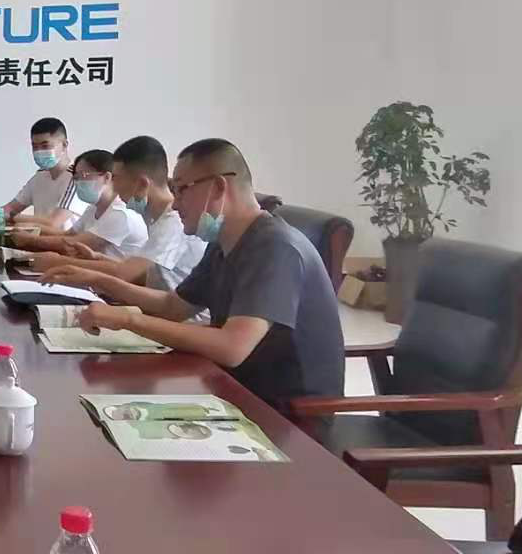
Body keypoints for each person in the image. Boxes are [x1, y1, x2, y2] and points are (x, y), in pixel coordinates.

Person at [73, 139, 345, 409]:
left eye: (182, 190)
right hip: (233, 388)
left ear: (218, 187)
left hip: (288, 414)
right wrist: (100, 281)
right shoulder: (223, 244)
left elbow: (232, 347)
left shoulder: (275, 247)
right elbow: (173, 307)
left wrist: (129, 319)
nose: (175, 204)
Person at [32, 135, 206, 288]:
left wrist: (58, 261)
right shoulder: (153, 218)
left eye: (115, 178)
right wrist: (96, 258)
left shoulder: (173, 222)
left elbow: (125, 274)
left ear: (142, 184)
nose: (113, 186)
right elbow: (145, 274)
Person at [12, 149, 148, 260]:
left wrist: (31, 239)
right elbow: (68, 235)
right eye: (76, 177)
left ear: (107, 177)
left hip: (115, 282)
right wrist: (34, 229)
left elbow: (76, 242)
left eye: (84, 175)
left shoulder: (120, 214)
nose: (78, 182)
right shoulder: (93, 209)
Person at [0, 117, 87, 234]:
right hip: (38, 241)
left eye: (45, 146)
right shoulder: (40, 175)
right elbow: (11, 207)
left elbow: (53, 223)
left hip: (64, 243)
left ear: (64, 145)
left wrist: (13, 217)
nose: (39, 151)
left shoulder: (77, 178)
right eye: (35, 146)